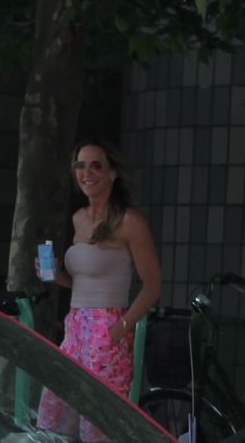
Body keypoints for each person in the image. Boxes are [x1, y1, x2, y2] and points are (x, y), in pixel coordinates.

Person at [48, 140, 162, 411]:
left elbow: (153, 286)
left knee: (97, 420)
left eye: (96, 165)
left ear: (112, 172)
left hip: (107, 325)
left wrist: (116, 331)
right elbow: (81, 283)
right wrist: (56, 276)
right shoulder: (79, 218)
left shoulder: (130, 221)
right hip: (75, 324)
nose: (87, 172)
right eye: (80, 165)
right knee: (56, 412)